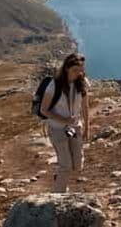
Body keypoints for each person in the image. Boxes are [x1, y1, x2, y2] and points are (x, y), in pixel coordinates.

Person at [41, 52, 90, 193]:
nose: (78, 73)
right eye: (75, 70)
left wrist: (87, 128)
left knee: (77, 164)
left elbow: (85, 107)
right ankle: (58, 196)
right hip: (57, 129)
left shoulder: (82, 83)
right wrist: (64, 120)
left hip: (74, 128)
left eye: (81, 70)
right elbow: (44, 110)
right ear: (67, 68)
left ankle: (59, 177)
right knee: (66, 165)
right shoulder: (54, 85)